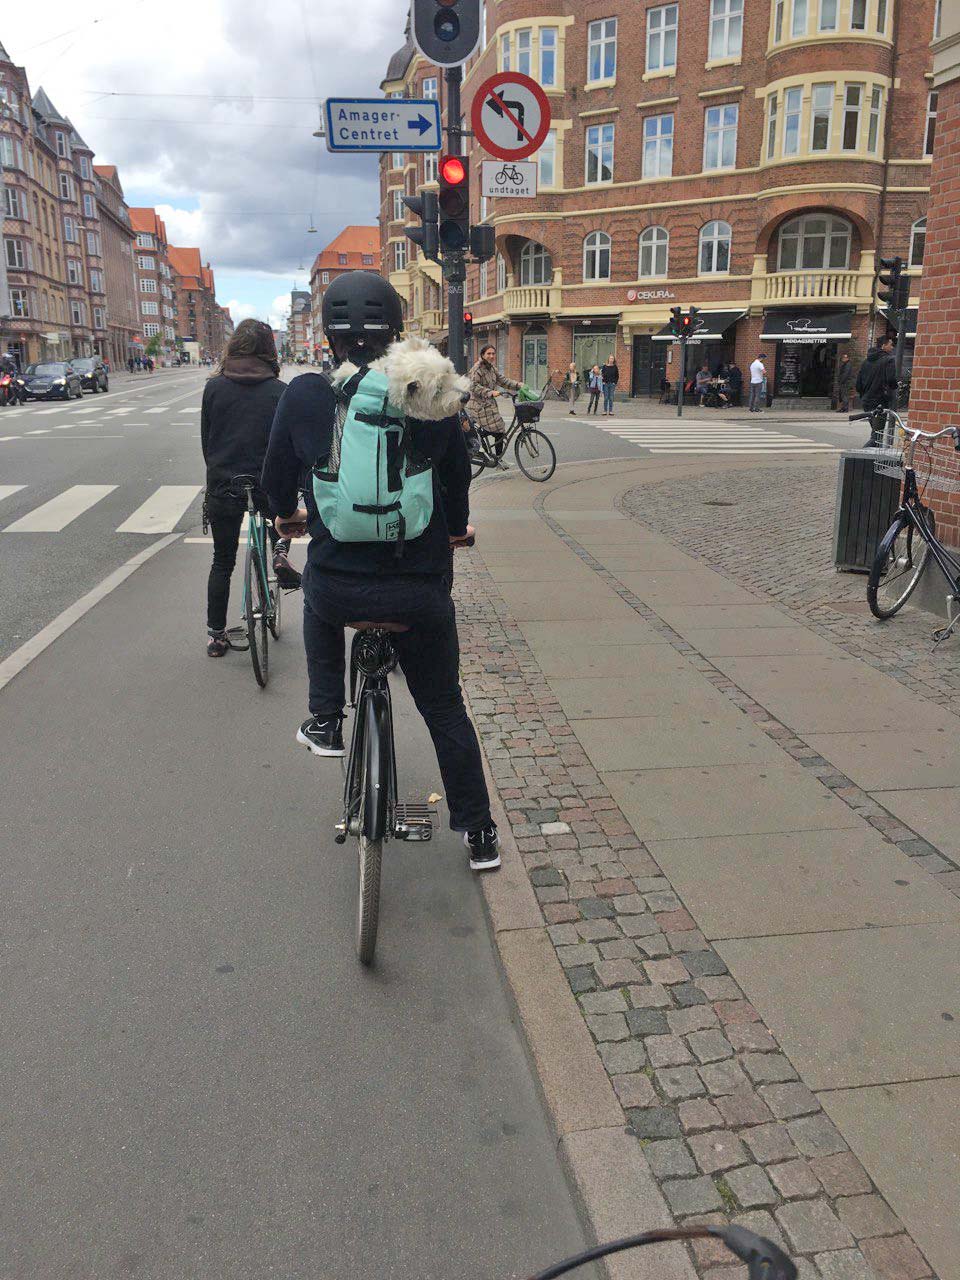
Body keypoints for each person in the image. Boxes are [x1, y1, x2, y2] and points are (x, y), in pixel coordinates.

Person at [260, 271, 500, 872]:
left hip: (339, 587)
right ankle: (479, 835)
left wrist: (291, 516)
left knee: (315, 596)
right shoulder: (430, 392)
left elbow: (272, 485)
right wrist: (453, 530)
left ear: (327, 333)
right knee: (444, 706)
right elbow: (455, 480)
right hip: (417, 588)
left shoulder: (306, 395)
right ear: (396, 329)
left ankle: (323, 718)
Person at [200, 318, 301, 658]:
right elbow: (288, 447)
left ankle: (216, 637)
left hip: (225, 485)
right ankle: (279, 555)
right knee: (282, 511)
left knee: (222, 561)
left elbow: (207, 442)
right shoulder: (279, 390)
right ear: (269, 351)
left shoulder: (214, 387)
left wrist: (216, 474)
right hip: (266, 484)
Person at [466, 344, 520, 459]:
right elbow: (473, 386)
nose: (491, 356)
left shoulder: (491, 368)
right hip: (477, 405)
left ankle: (498, 459)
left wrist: (519, 385)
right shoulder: (478, 368)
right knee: (498, 429)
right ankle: (478, 441)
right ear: (483, 355)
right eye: (488, 353)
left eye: (493, 354)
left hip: (488, 404)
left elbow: (503, 381)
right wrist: (490, 392)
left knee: (499, 430)